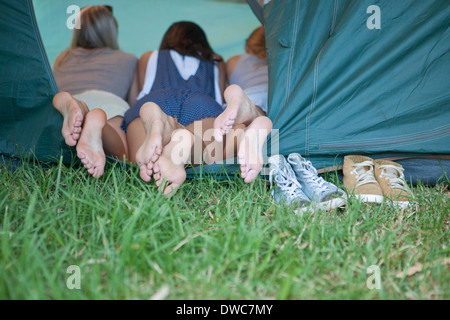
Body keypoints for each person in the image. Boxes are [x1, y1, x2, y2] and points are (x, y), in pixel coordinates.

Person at [52, 5, 139, 177]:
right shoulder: (128, 59)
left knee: (67, 108)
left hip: (72, 97)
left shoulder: (63, 57)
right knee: (123, 153)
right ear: (111, 31)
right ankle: (99, 123)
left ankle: (73, 105)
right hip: (109, 102)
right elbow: (134, 104)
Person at [213, 26, 268, 142]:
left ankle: (244, 107)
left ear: (247, 47)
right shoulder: (279, 62)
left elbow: (220, 88)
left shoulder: (234, 60)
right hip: (271, 94)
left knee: (237, 127)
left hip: (248, 93)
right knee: (259, 114)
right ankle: (250, 112)